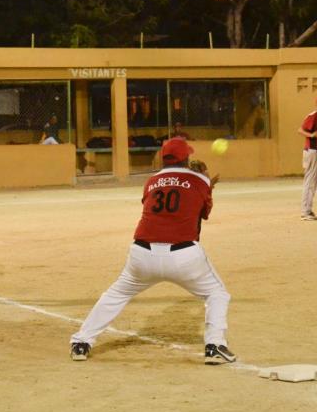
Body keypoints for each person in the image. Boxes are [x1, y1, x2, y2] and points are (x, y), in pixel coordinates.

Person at [69, 137, 236, 365]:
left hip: (142, 254)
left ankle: (81, 342)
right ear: (186, 158)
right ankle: (215, 345)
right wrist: (207, 184)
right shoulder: (199, 179)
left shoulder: (151, 181)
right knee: (217, 294)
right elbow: (202, 213)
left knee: (116, 295)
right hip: (183, 256)